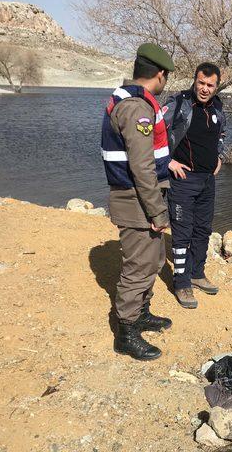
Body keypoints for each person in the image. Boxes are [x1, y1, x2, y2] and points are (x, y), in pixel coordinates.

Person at [100, 43, 175, 361]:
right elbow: (141, 167)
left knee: (153, 259)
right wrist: (158, 211)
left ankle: (141, 312)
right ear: (159, 74)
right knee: (139, 266)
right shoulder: (136, 108)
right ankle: (126, 332)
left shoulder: (134, 101)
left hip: (141, 197)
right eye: (166, 76)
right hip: (136, 200)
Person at [163, 62, 226, 309]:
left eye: (210, 85)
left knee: (202, 230)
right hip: (182, 181)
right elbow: (153, 132)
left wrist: (220, 156)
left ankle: (197, 273)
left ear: (216, 86)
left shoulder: (218, 106)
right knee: (182, 233)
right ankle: (181, 283)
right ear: (194, 80)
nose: (204, 89)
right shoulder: (179, 103)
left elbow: (222, 133)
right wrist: (168, 162)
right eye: (201, 83)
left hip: (207, 180)